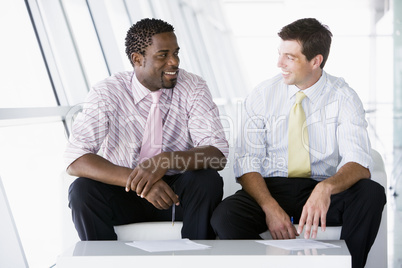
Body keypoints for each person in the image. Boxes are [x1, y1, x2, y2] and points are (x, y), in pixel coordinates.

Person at [210, 18, 386, 268]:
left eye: (289, 57)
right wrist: (270, 207)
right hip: (271, 189)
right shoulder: (262, 95)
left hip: (320, 189)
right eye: (280, 54)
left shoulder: (344, 97)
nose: (279, 63)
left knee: (371, 194)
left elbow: (358, 163)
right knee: (225, 216)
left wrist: (326, 188)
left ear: (316, 61)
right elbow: (247, 162)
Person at [65, 18, 228, 241]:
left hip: (175, 196)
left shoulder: (193, 86)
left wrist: (165, 161)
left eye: (176, 53)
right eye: (163, 55)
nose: (174, 62)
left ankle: (194, 259)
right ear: (137, 59)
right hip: (123, 189)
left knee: (207, 180)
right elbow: (76, 159)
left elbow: (218, 154)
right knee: (81, 191)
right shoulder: (108, 92)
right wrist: (141, 181)